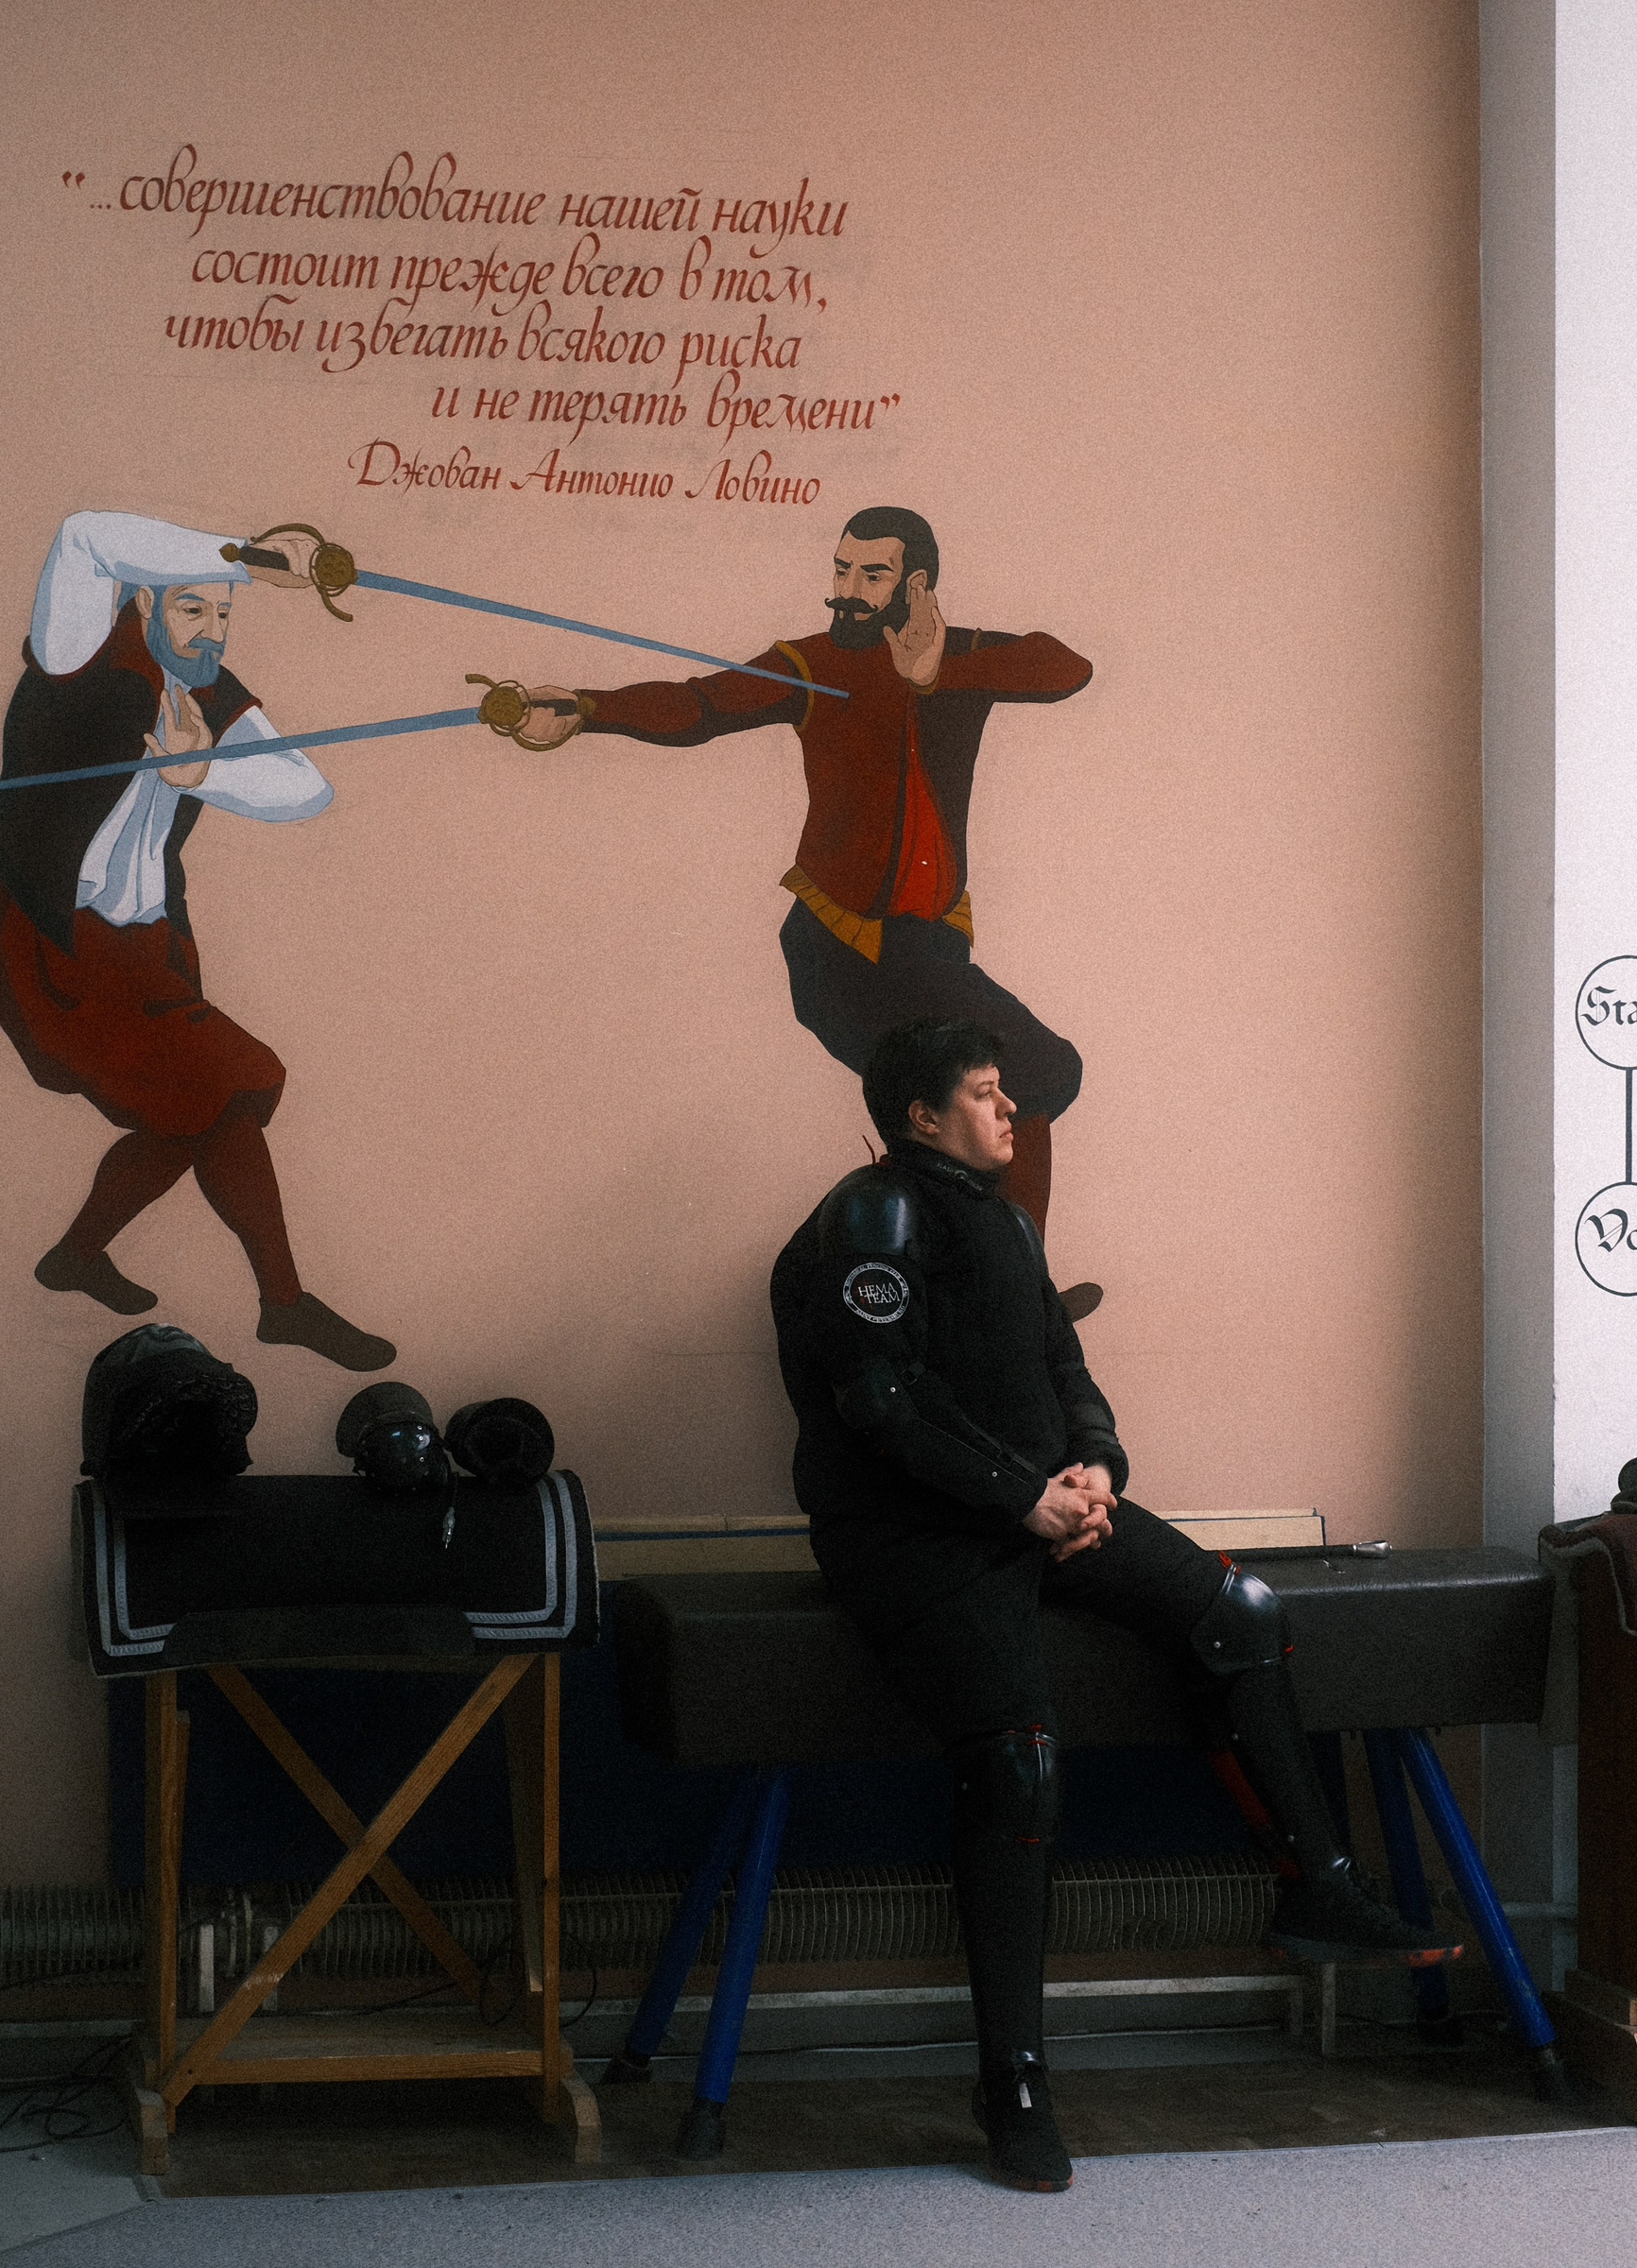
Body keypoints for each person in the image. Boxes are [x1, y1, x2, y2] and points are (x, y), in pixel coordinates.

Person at [768, 1017, 1459, 2193]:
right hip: (915, 1539)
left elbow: (1064, 1370)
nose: (1009, 1110)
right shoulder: (872, 1217)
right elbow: (878, 1406)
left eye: (1004, 1091)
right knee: (1019, 1763)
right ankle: (1014, 2084)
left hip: (1045, 1510)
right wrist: (1021, 1498)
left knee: (1241, 1612)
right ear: (922, 1116)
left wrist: (1095, 1468)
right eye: (984, 1093)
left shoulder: (1006, 1223)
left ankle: (1322, 1889)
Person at [510, 507, 1092, 1250]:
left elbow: (1066, 666)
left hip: (930, 949)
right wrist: (589, 710)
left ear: (916, 584)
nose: (847, 590)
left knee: (962, 1110)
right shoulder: (809, 664)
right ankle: (1010, 1281)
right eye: (842, 570)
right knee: (1025, 1073)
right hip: (844, 952)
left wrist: (940, 671)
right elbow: (699, 704)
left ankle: (979, 1275)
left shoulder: (964, 655)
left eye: (872, 575)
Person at [0, 510, 395, 1371]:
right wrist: (247, 557)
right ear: (144, 602)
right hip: (42, 932)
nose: (211, 630)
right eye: (192, 608)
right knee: (226, 1083)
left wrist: (206, 772)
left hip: (140, 949)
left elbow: (305, 787)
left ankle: (77, 1257)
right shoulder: (80, 653)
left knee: (200, 1107)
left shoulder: (211, 692)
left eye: (224, 613)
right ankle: (284, 1304)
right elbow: (84, 535)